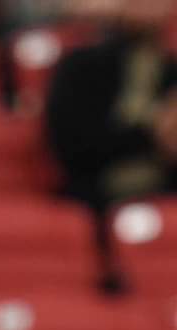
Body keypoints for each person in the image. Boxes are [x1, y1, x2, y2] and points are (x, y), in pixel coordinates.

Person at [44, 0, 177, 209]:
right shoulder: (81, 66)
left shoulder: (171, 71)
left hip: (165, 192)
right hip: (96, 199)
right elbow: (72, 146)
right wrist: (152, 131)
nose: (149, 6)